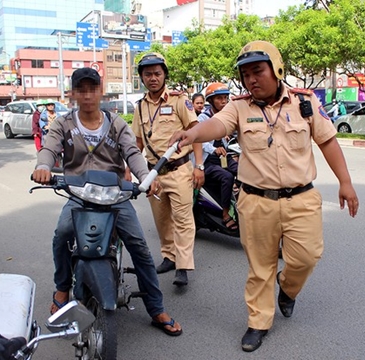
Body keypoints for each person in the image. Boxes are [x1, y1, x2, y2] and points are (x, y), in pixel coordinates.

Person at [169, 40, 359, 352]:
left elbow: (327, 142)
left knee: (306, 257)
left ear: (277, 68)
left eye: (257, 71)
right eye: (245, 75)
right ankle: (258, 322)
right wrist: (193, 134)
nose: (251, 80)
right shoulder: (239, 106)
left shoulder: (305, 101)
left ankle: (288, 289)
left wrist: (345, 182)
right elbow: (217, 125)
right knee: (260, 268)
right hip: (255, 201)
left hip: (301, 199)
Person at [32, 67, 182, 336]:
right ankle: (62, 286)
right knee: (62, 235)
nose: (88, 95)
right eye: (82, 90)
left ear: (101, 92)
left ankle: (155, 307)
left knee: (140, 247)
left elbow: (133, 152)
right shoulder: (63, 124)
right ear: (74, 94)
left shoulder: (116, 123)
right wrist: (43, 167)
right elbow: (48, 148)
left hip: (115, 197)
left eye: (93, 89)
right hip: (78, 195)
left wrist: (146, 176)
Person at [131, 52, 204, 287]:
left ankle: (183, 266)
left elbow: (196, 131)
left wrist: (199, 166)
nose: (153, 78)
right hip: (153, 174)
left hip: (180, 169)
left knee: (183, 219)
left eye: (157, 73)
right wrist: (127, 167)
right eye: (148, 74)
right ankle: (169, 257)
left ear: (164, 75)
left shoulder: (179, 101)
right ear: (142, 78)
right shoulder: (140, 107)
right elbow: (138, 143)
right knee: (162, 220)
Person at [198, 82, 238, 231]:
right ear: (210, 101)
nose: (223, 101)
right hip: (207, 160)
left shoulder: (226, 116)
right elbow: (199, 141)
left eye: (225, 98)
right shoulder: (203, 118)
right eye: (219, 98)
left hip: (223, 157)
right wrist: (214, 149)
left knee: (245, 173)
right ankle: (226, 213)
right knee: (227, 177)